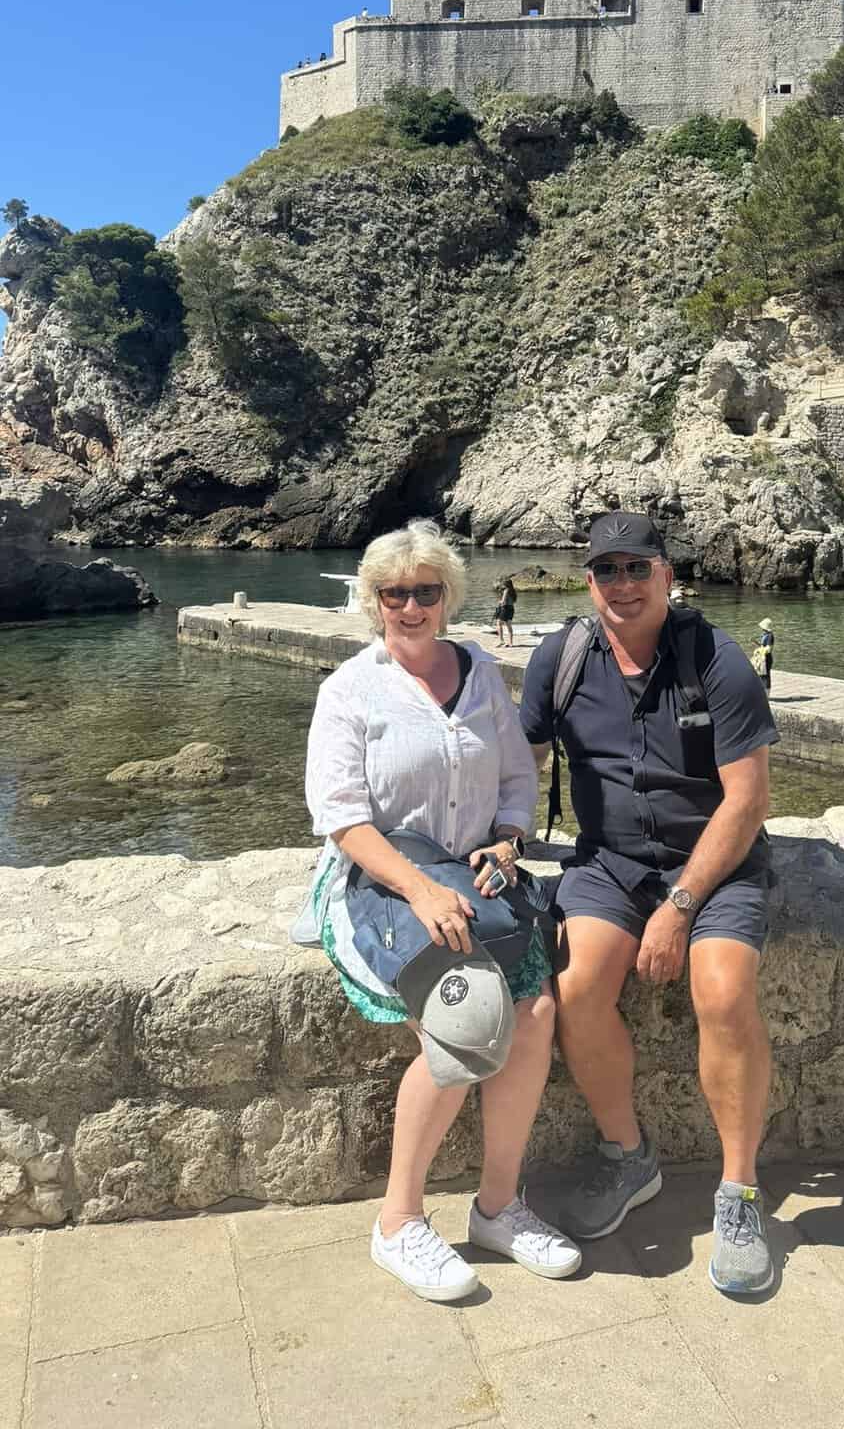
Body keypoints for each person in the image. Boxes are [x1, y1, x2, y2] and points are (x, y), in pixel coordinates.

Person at [299, 520, 579, 1302]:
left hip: (478, 881)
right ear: (374, 600)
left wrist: (508, 840)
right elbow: (341, 816)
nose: (413, 606)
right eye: (397, 593)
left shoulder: (482, 673)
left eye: (427, 591)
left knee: (535, 1018)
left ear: (448, 597)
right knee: (464, 1027)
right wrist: (420, 888)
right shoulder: (350, 690)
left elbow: (517, 778)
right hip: (389, 884)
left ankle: (499, 1207)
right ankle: (398, 1221)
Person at [520, 510, 780, 1295]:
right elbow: (517, 760)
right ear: (588, 580)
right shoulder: (560, 658)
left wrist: (679, 905)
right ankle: (629, 1157)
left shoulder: (717, 660)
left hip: (716, 863)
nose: (623, 584)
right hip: (608, 863)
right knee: (574, 990)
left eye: (639, 568)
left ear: (668, 575)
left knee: (725, 993)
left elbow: (747, 801)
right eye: (608, 570)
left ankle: (739, 1194)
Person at [493, 575, 517, 647]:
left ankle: (501, 640)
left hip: (505, 608)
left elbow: (503, 601)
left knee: (498, 623)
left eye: (503, 583)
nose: (502, 585)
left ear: (505, 584)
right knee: (509, 625)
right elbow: (513, 601)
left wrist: (499, 602)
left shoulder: (506, 590)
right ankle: (511, 643)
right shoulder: (513, 591)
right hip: (511, 609)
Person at [752, 618, 775, 692]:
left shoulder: (770, 636)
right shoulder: (765, 635)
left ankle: (767, 693)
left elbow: (768, 649)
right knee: (761, 675)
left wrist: (759, 650)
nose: (761, 629)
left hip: (766, 658)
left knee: (766, 676)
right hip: (762, 658)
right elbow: (763, 647)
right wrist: (756, 643)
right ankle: (763, 692)